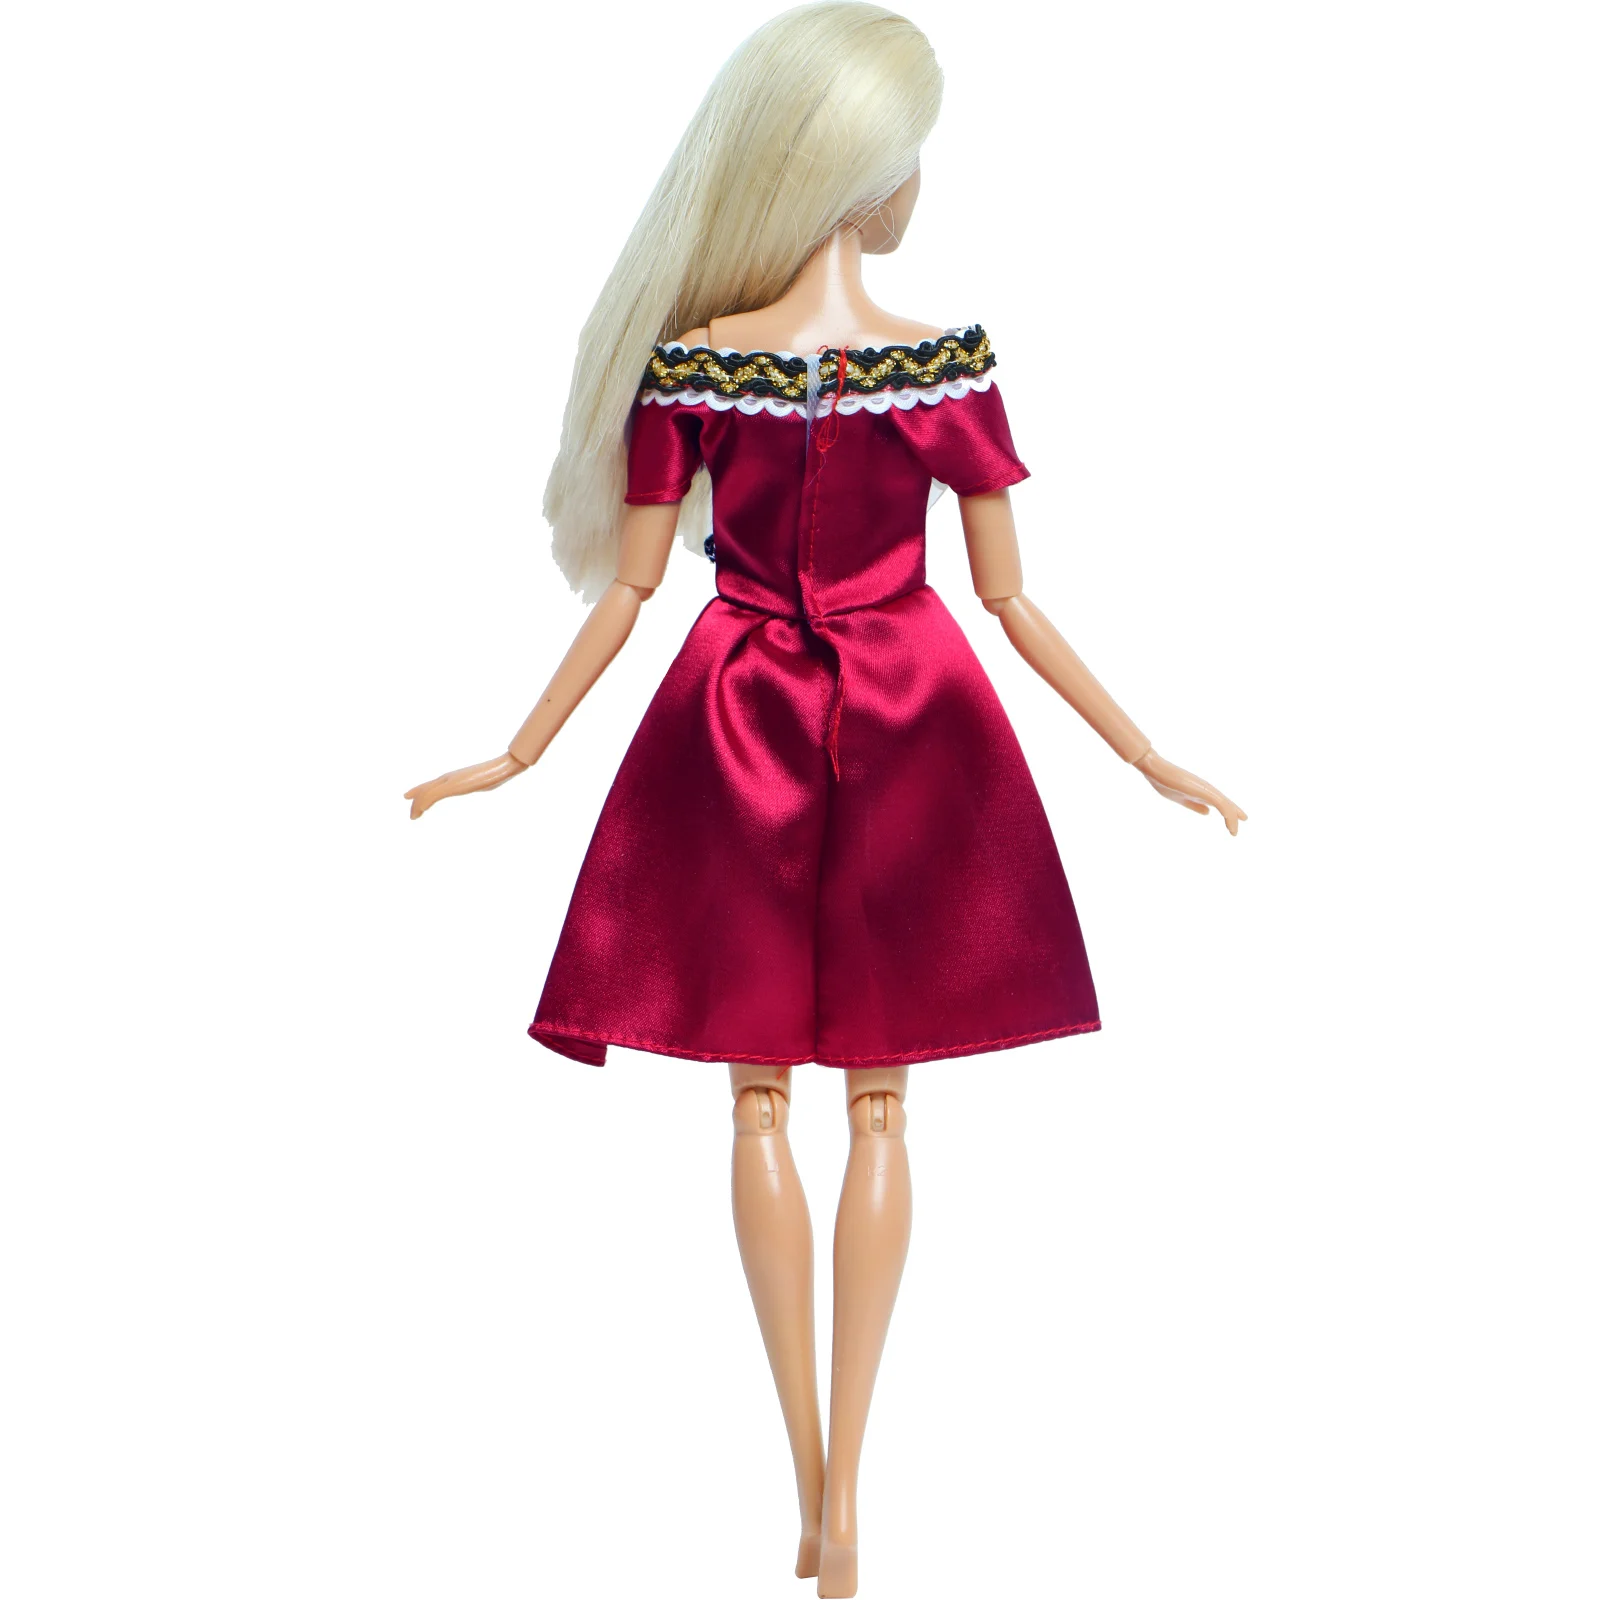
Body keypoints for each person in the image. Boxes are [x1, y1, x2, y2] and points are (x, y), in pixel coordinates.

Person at [405, 5, 1244, 1594]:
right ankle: (839, 1495)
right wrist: (1143, 754)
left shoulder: (696, 365)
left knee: (757, 1101)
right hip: (912, 708)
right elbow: (1010, 601)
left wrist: (520, 753)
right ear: (872, 172)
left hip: (732, 708)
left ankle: (821, 1491)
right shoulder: (942, 364)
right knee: (876, 1102)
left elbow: (632, 596)